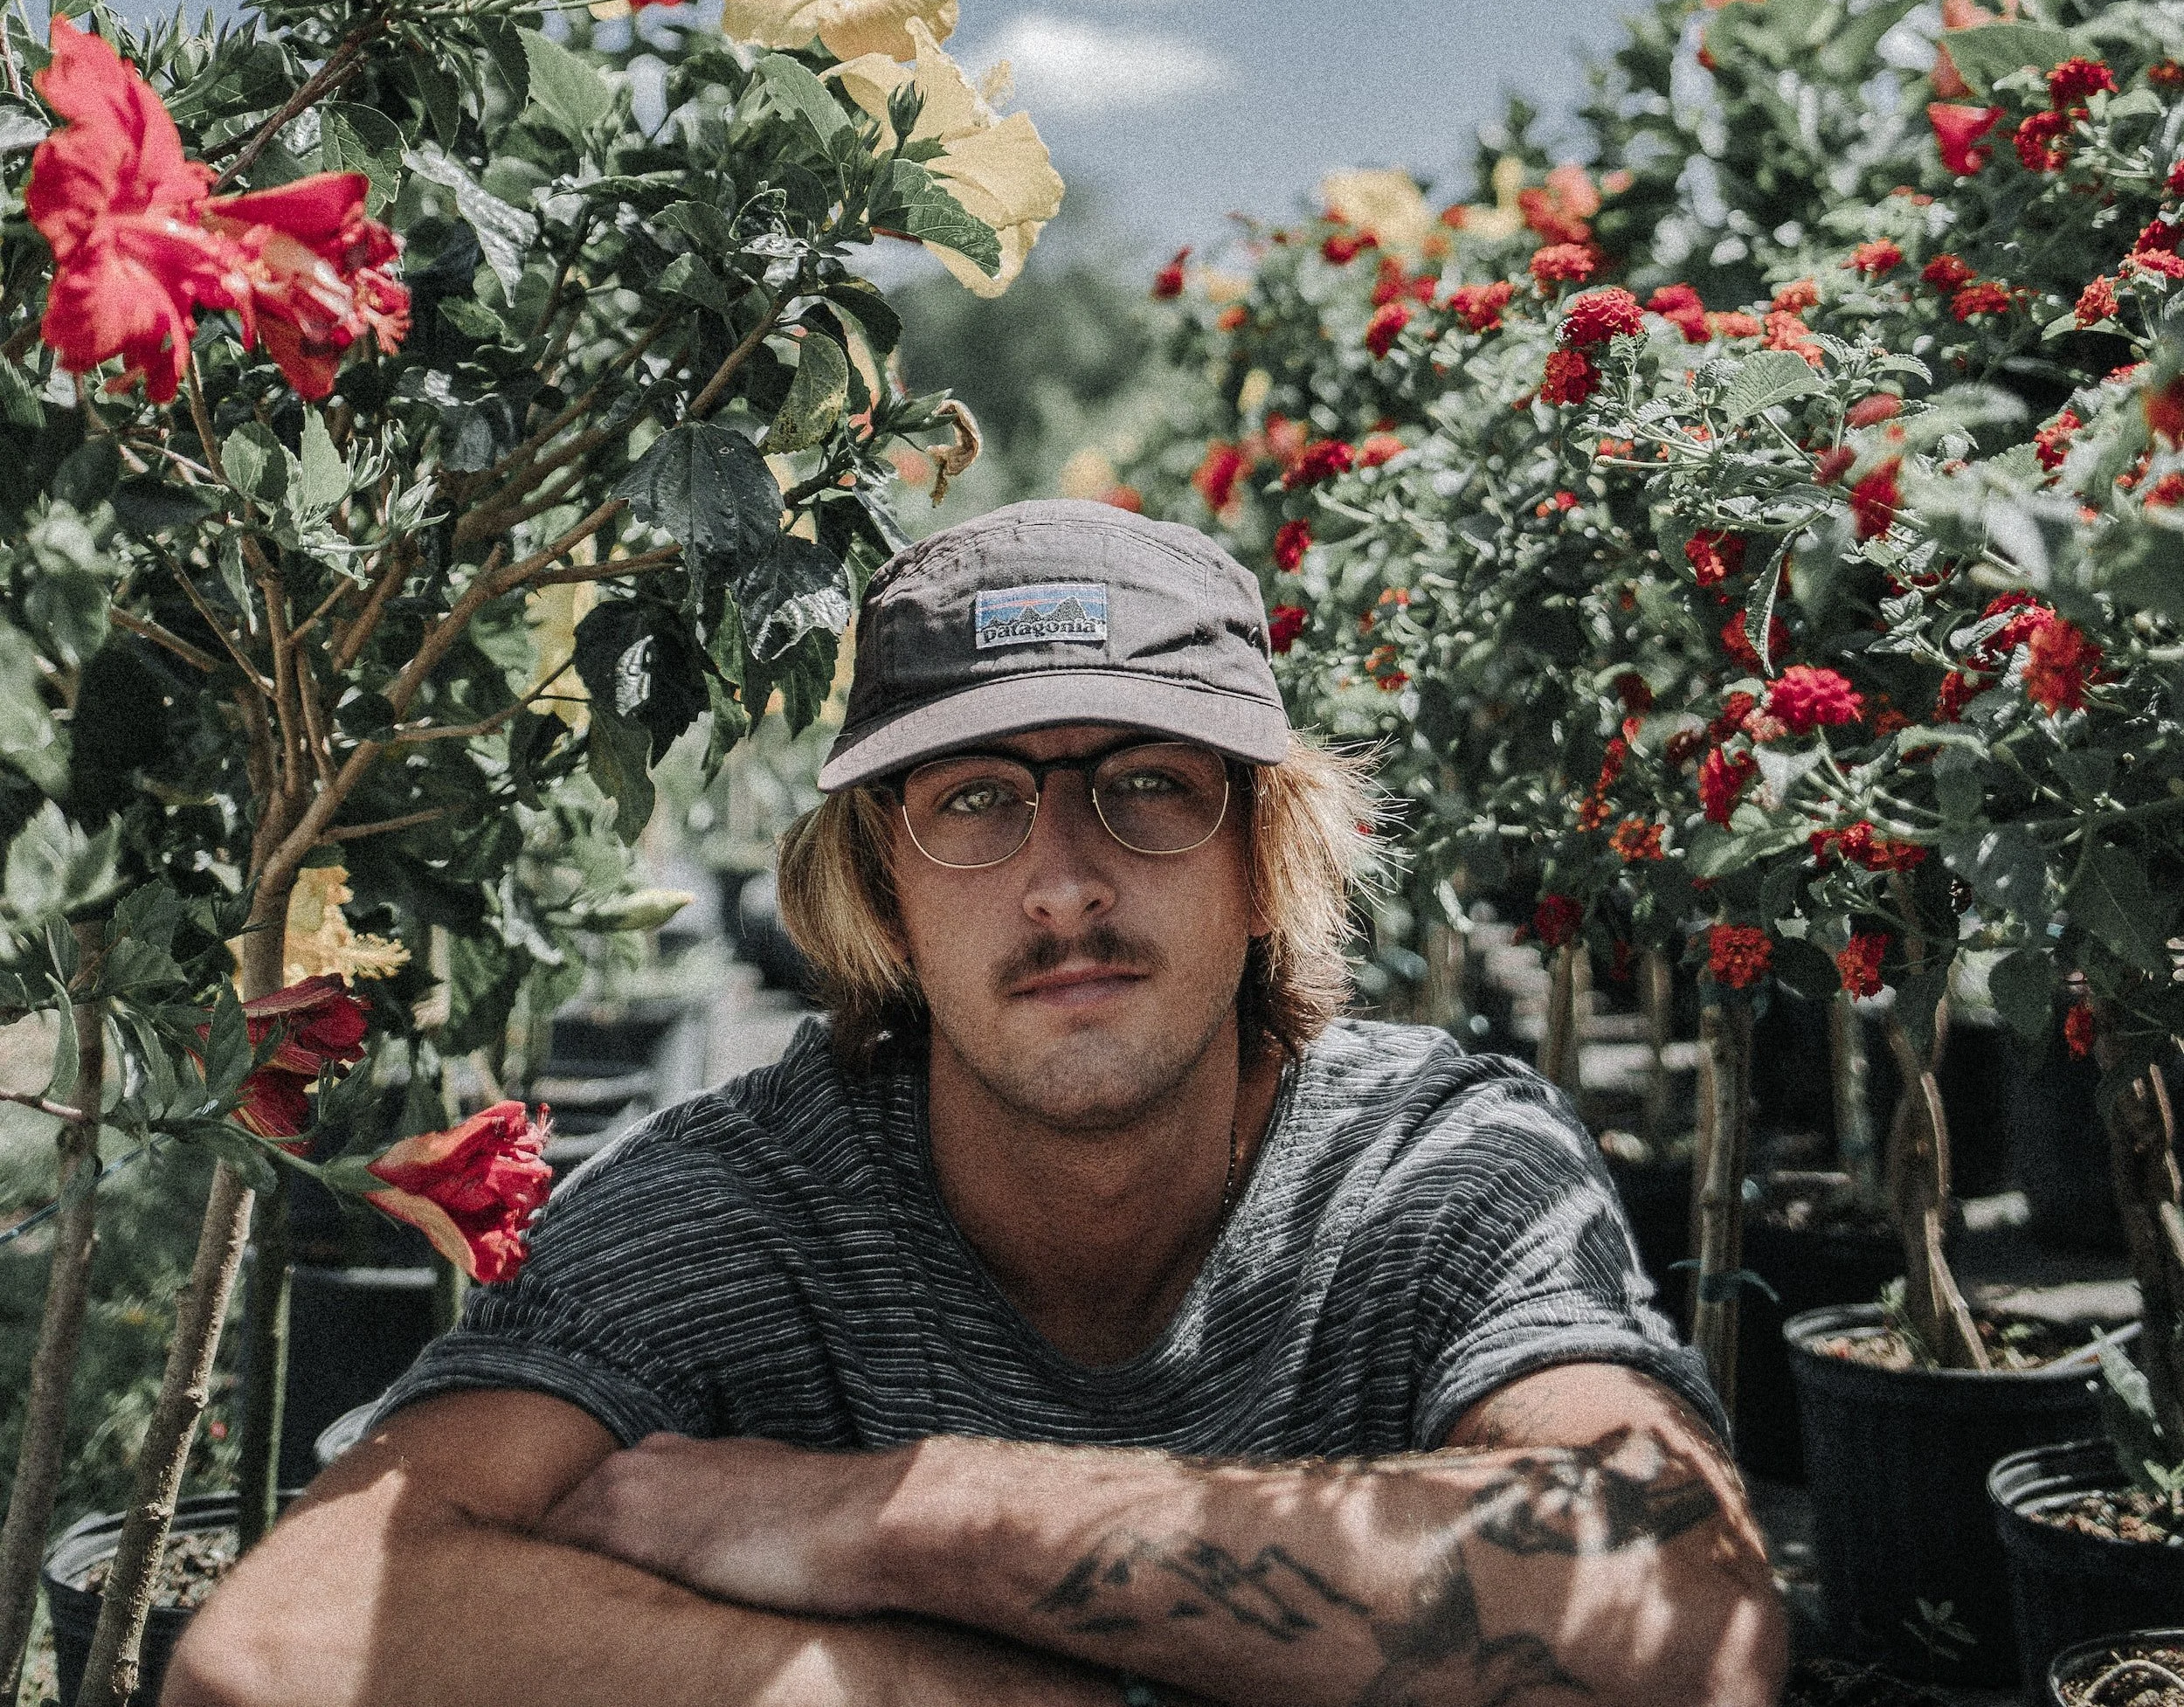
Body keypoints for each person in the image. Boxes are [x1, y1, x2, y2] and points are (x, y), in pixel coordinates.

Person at [169, 499, 1786, 1707]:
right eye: (976, 804)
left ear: (1261, 851)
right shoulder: (725, 1209)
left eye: (1150, 784)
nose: (1063, 884)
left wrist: (911, 1520)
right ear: (881, 880)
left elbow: (1693, 1614)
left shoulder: (1443, 1167)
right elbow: (276, 1645)